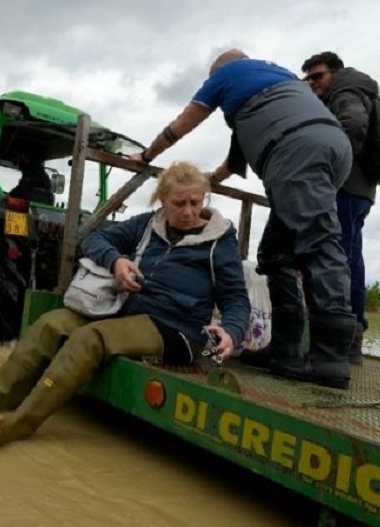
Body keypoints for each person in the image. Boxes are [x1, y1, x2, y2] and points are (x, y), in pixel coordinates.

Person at [0, 162, 250, 449]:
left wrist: (231, 332)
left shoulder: (219, 242)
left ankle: (18, 425)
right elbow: (95, 240)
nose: (188, 211)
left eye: (195, 202)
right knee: (51, 323)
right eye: (178, 203)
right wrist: (117, 262)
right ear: (161, 201)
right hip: (127, 312)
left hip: (177, 329)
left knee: (90, 338)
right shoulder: (147, 224)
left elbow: (236, 298)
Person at [133, 49, 356, 389]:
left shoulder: (227, 73)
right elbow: (235, 160)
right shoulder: (273, 86)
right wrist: (207, 181)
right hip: (331, 145)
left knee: (319, 244)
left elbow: (184, 122)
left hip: (296, 150)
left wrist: (147, 154)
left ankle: (330, 358)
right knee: (275, 254)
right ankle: (283, 349)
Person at [301, 51, 380, 364]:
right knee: (350, 260)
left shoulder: (345, 93)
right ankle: (352, 338)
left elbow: (353, 123)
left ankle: (337, 342)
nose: (312, 83)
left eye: (317, 76)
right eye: (308, 78)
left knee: (335, 261)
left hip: (345, 187)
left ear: (335, 73)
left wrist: (329, 169)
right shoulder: (357, 91)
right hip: (360, 190)